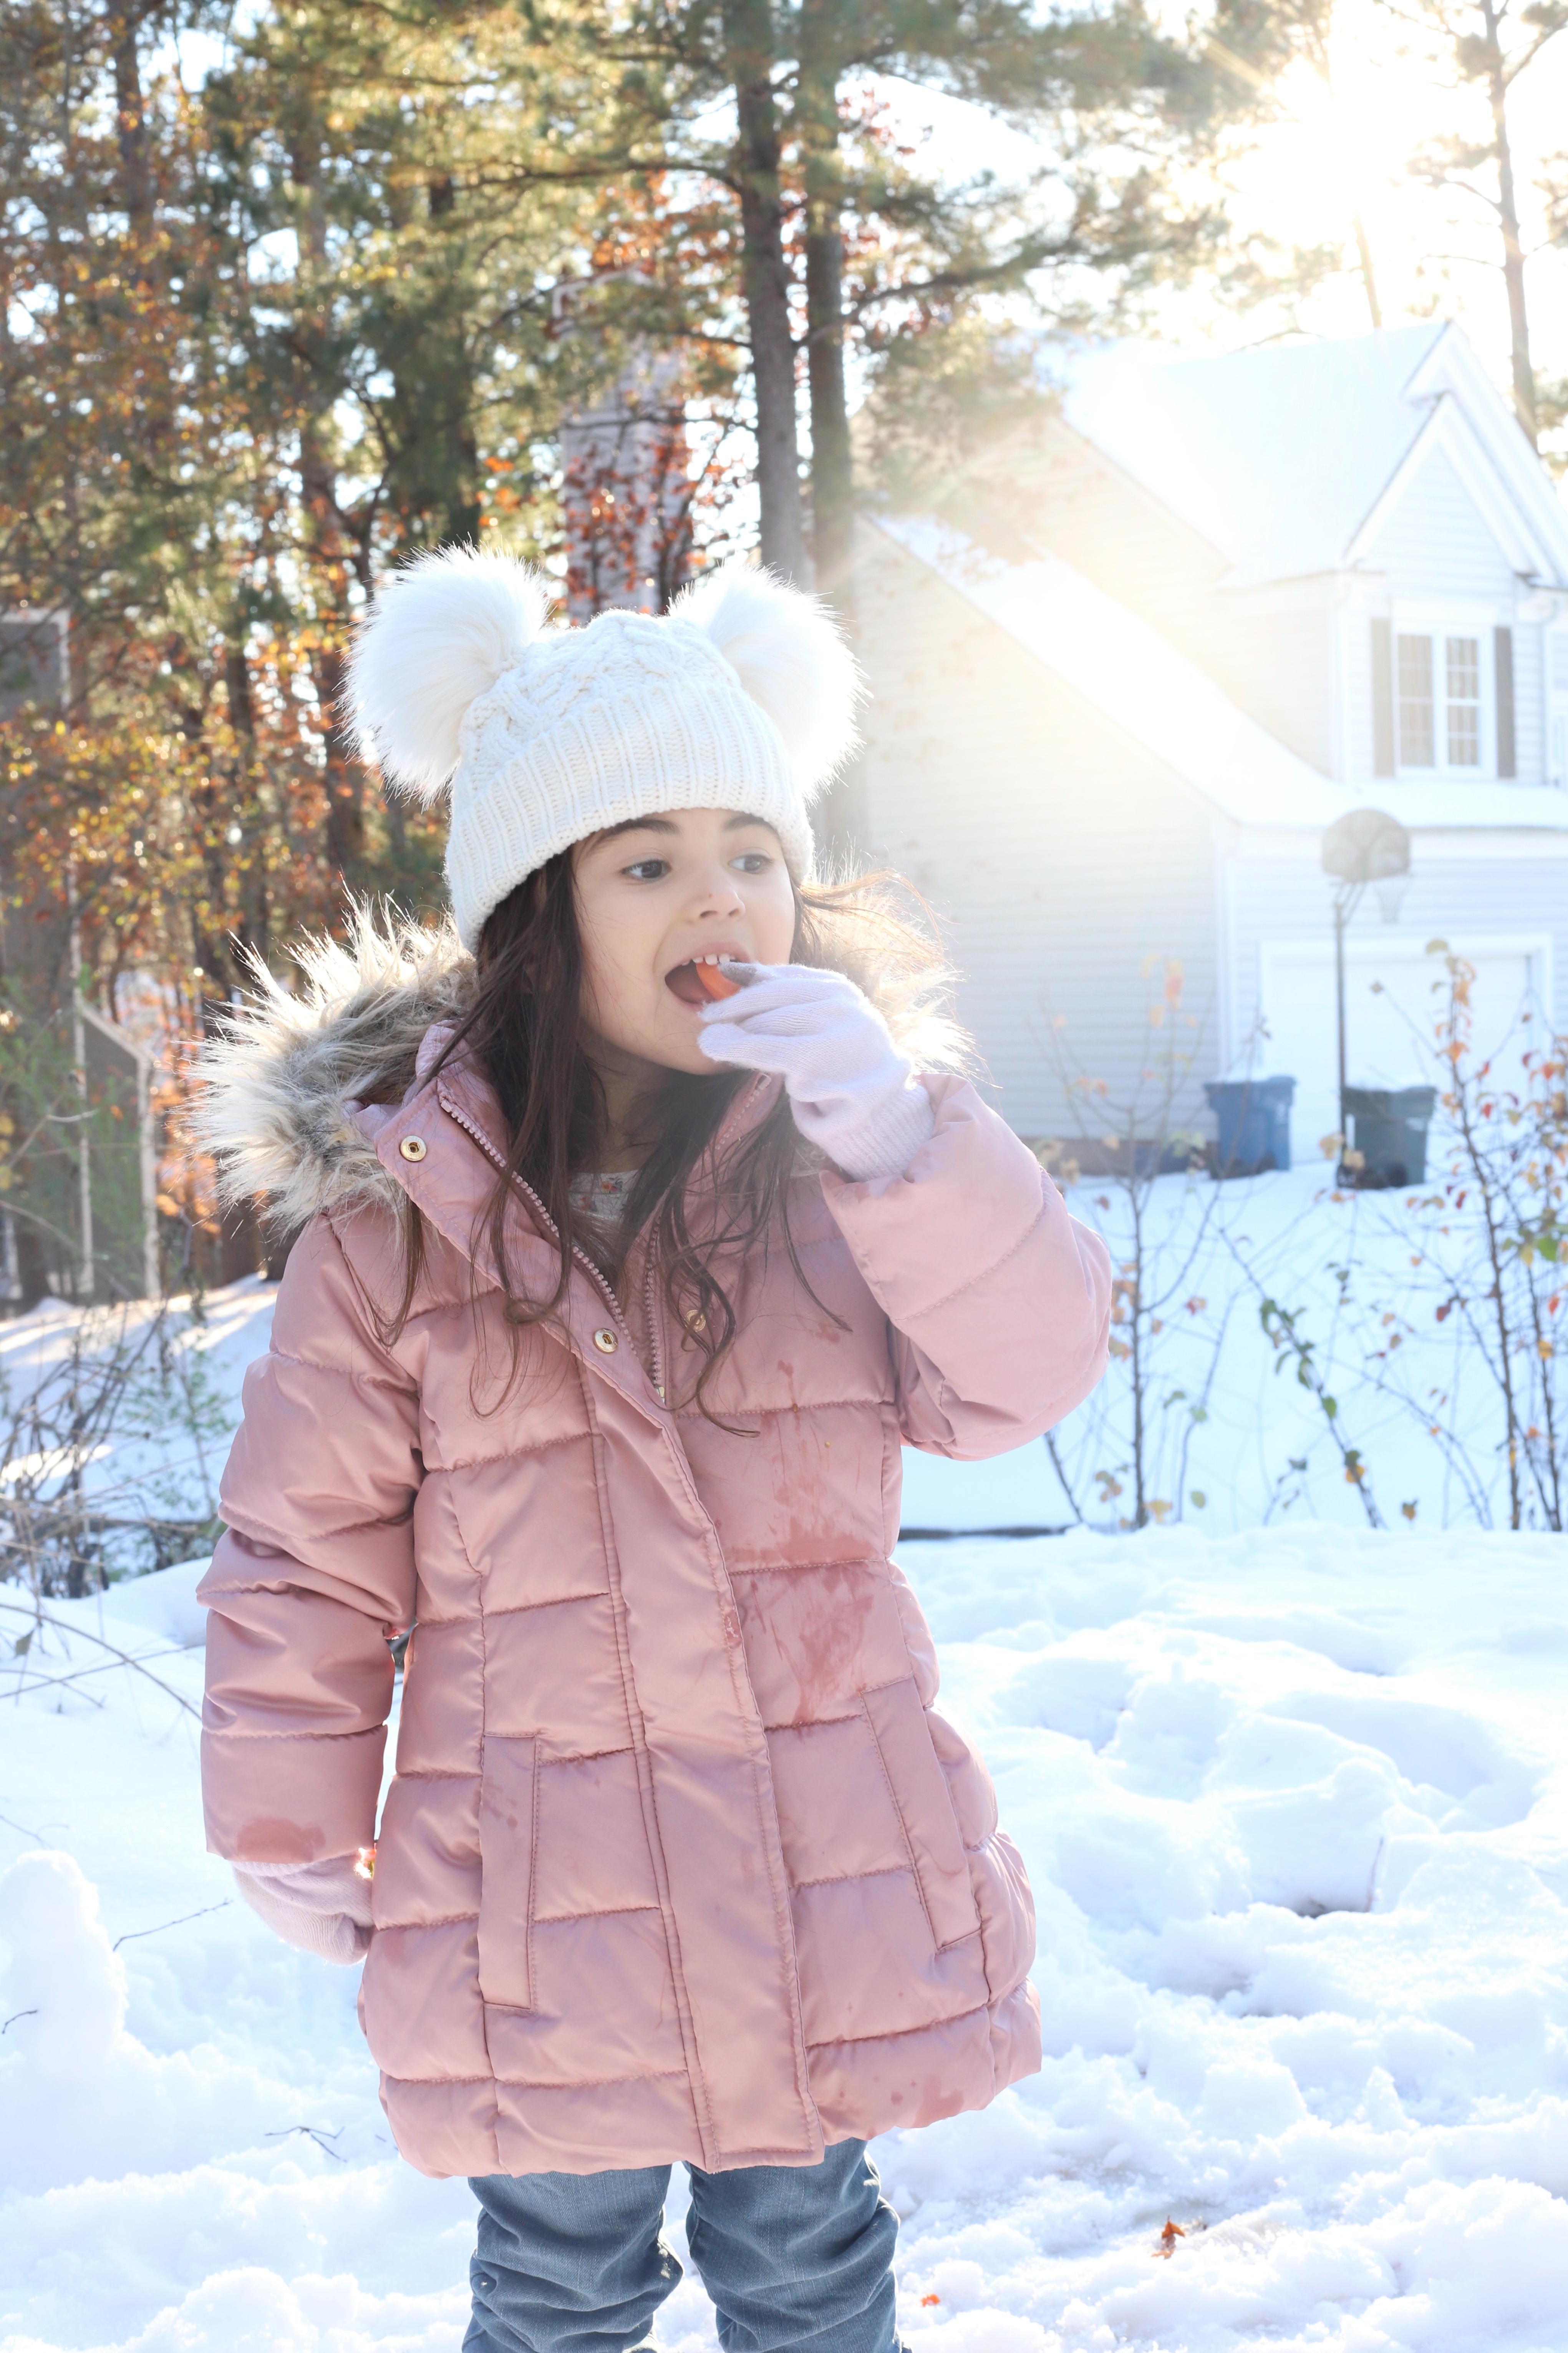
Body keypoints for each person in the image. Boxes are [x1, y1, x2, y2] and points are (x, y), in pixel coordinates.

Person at [195, 551, 1111, 2353]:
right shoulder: (399, 1231)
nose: (724, 893)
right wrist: (289, 1814)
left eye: (753, 850)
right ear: (540, 916)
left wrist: (893, 1134)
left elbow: (1027, 1371)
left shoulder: (844, 1172)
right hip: (539, 1888)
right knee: (555, 2276)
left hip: (814, 1844)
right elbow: (304, 1551)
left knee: (807, 2259)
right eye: (650, 860)